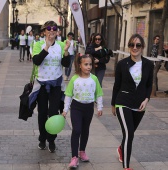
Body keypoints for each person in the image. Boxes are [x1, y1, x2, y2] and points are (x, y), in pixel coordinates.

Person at [111, 34, 154, 170]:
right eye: (132, 45)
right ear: (129, 46)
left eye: (138, 45)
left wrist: (147, 99)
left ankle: (121, 149)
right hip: (123, 101)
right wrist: (113, 104)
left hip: (140, 104)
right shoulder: (122, 64)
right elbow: (116, 85)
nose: (134, 48)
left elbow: (148, 85)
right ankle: (126, 167)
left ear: (142, 47)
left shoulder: (148, 64)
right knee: (129, 133)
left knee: (129, 133)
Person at [29, 20, 70, 153]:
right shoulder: (38, 44)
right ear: (44, 31)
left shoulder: (61, 44)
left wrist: (66, 52)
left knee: (53, 113)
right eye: (48, 28)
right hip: (41, 85)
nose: (51, 30)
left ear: (57, 31)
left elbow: (66, 64)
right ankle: (42, 139)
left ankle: (51, 140)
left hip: (56, 85)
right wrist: (46, 46)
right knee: (42, 114)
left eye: (54, 28)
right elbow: (36, 61)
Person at [62, 53, 103, 168]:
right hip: (76, 108)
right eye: (86, 64)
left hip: (88, 108)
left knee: (85, 130)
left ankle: (82, 151)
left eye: (90, 64)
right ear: (80, 65)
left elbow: (99, 94)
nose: (89, 67)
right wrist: (65, 109)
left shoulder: (94, 79)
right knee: (77, 130)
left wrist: (100, 107)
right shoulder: (74, 79)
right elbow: (68, 95)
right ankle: (74, 157)